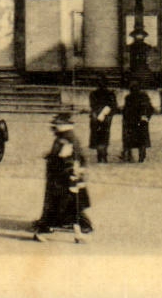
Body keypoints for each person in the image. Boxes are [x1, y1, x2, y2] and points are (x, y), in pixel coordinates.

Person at [32, 113, 91, 242]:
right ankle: (77, 233)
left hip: (64, 178)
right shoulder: (69, 138)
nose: (55, 126)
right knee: (69, 206)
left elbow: (65, 158)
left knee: (63, 205)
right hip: (68, 178)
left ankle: (75, 233)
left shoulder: (65, 139)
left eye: (58, 124)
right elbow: (74, 158)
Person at [87, 84, 118, 164]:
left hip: (100, 117)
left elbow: (92, 106)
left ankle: (101, 155)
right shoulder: (109, 94)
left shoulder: (94, 94)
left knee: (99, 135)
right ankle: (102, 155)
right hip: (103, 117)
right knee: (103, 136)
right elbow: (114, 106)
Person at [120, 85, 153, 163]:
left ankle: (128, 155)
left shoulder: (128, 97)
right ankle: (141, 156)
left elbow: (126, 110)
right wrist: (147, 117)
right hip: (142, 122)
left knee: (129, 139)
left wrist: (125, 119)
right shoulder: (144, 97)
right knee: (142, 139)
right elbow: (150, 109)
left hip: (131, 122)